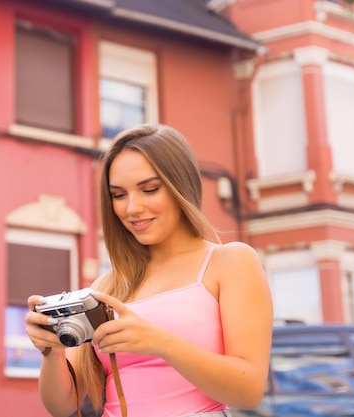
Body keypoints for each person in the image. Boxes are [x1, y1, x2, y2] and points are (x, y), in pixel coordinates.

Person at [25, 123, 273, 417]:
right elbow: (64, 406)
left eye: (149, 189)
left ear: (181, 186)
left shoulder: (230, 262)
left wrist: (161, 342)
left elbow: (249, 391)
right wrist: (51, 351)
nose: (132, 208)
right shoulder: (107, 287)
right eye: (118, 195)